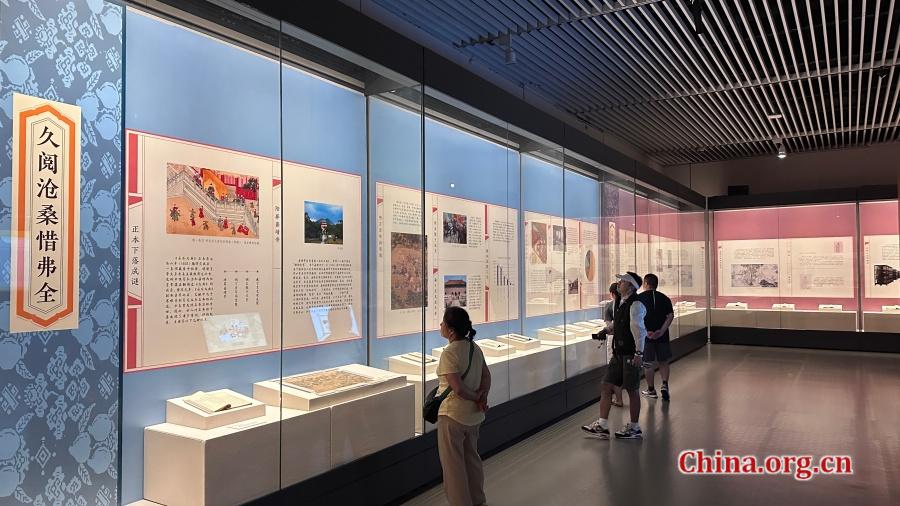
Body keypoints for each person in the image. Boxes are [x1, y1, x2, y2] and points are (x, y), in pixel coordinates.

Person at [436, 307, 491, 506]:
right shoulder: (474, 348)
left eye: (443, 322)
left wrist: (476, 397)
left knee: (454, 468)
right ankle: (478, 500)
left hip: (453, 416)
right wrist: (481, 398)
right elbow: (486, 376)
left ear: (451, 330)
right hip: (473, 416)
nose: (440, 325)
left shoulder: (450, 353)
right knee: (472, 461)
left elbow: (458, 388)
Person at [582, 271, 647, 440]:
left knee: (632, 390)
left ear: (631, 287)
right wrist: (606, 330)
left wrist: (639, 353)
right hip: (618, 353)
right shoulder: (619, 302)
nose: (619, 284)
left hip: (630, 354)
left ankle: (634, 427)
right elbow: (619, 324)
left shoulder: (635, 305)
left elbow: (639, 331)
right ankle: (602, 425)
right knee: (606, 386)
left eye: (622, 282)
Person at [638, 273, 675, 401]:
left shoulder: (639, 298)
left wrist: (646, 331)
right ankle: (664, 384)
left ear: (646, 283)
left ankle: (651, 389)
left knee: (648, 363)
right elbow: (670, 315)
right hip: (662, 336)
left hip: (646, 337)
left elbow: (637, 318)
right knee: (663, 361)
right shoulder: (664, 298)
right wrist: (662, 330)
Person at [602, 283, 624, 407]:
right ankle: (618, 397)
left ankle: (617, 398)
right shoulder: (627, 304)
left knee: (613, 369)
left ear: (612, 293)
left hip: (613, 339)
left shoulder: (610, 306)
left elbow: (609, 325)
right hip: (626, 341)